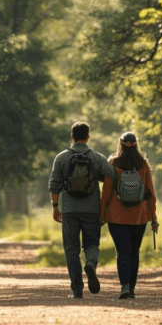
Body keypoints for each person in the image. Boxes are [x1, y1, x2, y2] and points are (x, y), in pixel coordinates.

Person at [48, 122, 116, 299]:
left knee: (71, 248)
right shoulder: (96, 157)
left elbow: (54, 185)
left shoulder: (61, 158)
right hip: (92, 209)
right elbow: (113, 174)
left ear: (72, 137)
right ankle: (91, 264)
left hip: (69, 210)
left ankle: (77, 289)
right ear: (88, 137)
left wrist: (55, 207)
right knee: (91, 243)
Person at [100, 131, 158, 299]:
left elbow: (107, 191)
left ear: (120, 144)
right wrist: (153, 217)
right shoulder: (143, 164)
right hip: (139, 216)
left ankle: (124, 286)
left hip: (116, 215)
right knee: (134, 251)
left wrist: (102, 214)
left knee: (122, 251)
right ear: (136, 144)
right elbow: (150, 192)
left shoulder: (113, 162)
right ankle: (131, 288)